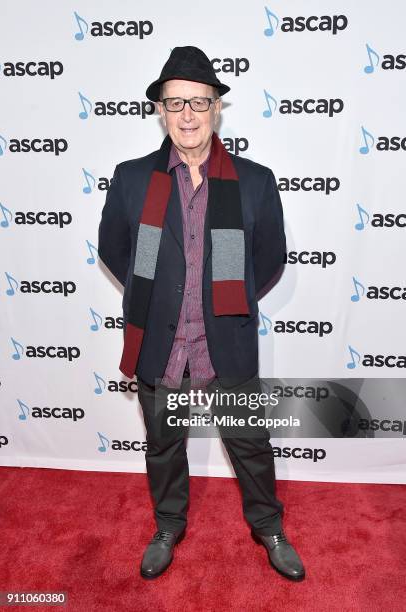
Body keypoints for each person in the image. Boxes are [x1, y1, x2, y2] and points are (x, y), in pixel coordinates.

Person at [98, 46, 305, 581]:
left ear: (216, 109)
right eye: (175, 103)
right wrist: (160, 294)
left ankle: (269, 527)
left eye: (199, 102)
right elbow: (115, 250)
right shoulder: (132, 178)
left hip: (225, 339)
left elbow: (271, 258)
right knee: (164, 446)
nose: (187, 115)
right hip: (159, 340)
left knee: (250, 445)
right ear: (161, 111)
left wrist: (226, 303)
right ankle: (168, 525)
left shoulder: (254, 180)